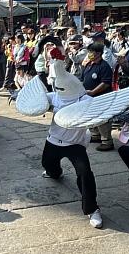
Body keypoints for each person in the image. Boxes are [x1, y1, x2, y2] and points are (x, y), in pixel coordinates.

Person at [41, 50, 103, 229]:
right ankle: (54, 172)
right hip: (53, 140)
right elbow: (40, 99)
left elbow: (100, 108)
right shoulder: (56, 96)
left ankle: (92, 209)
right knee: (47, 164)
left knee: (85, 174)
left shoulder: (84, 99)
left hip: (75, 144)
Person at [81, 43, 114, 151]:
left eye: (91, 52)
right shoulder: (88, 64)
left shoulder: (104, 66)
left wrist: (93, 92)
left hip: (101, 97)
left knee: (102, 119)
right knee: (90, 117)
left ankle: (107, 141)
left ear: (98, 53)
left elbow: (105, 83)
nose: (89, 54)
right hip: (88, 97)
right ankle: (95, 135)